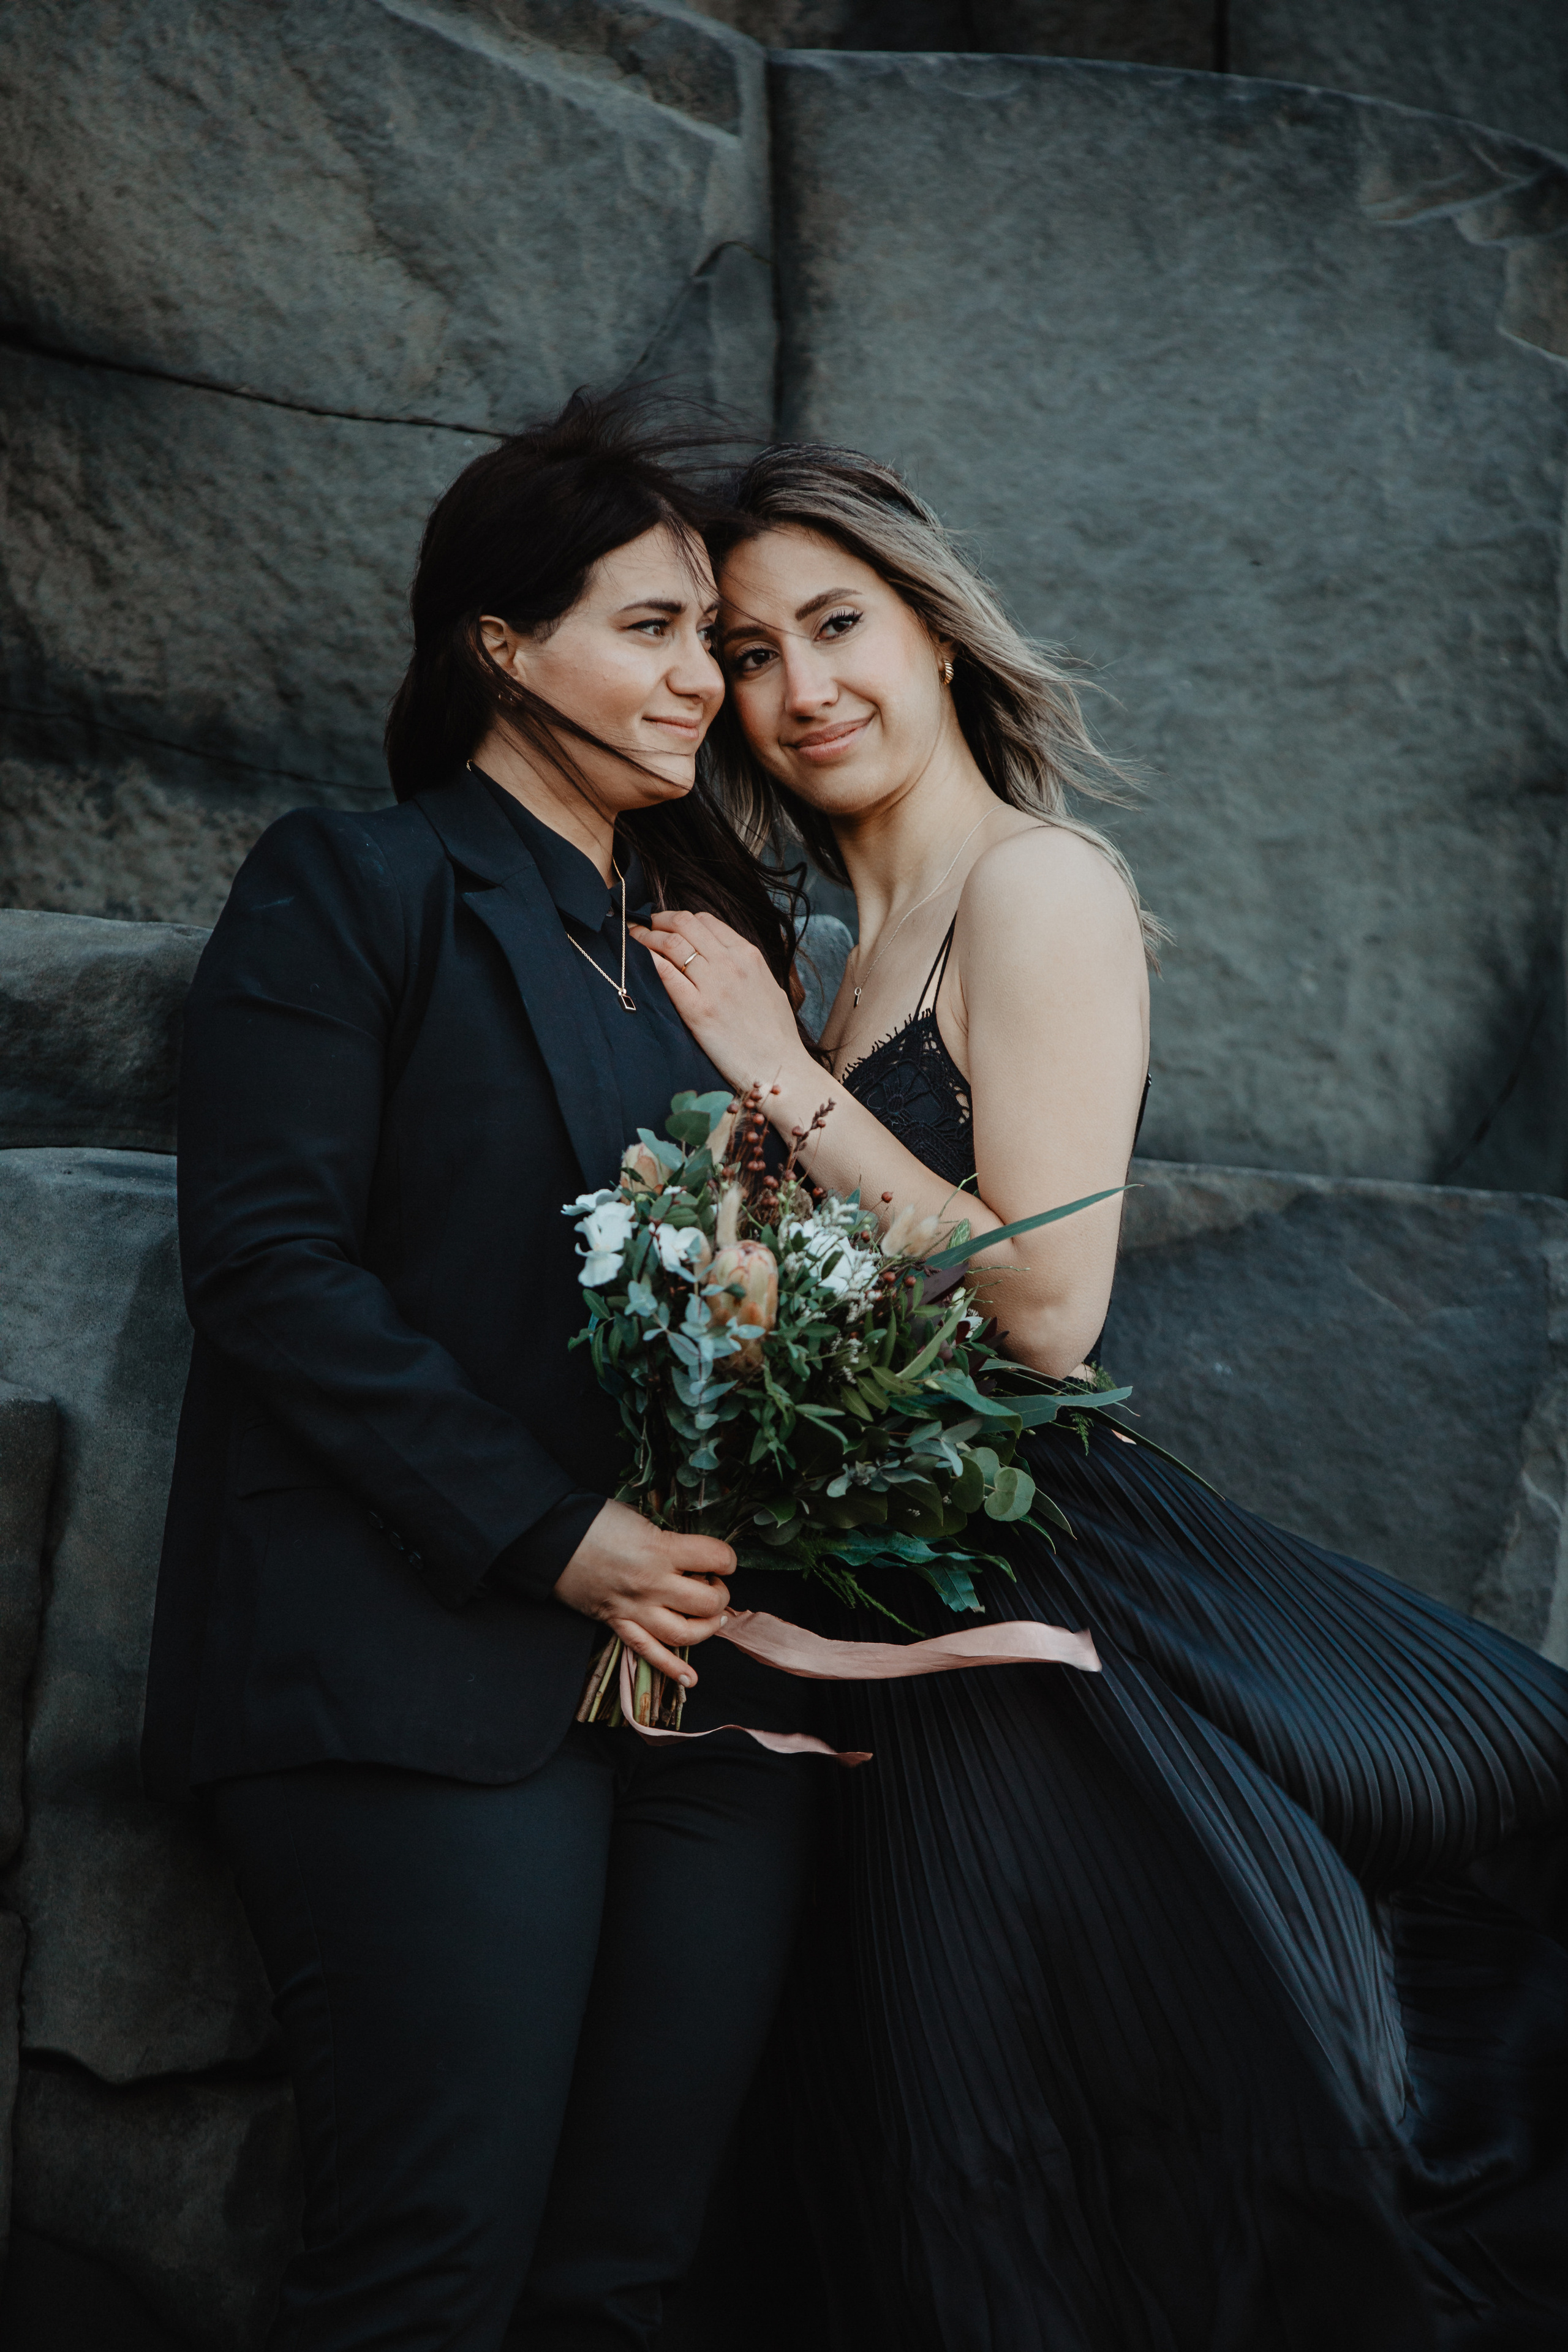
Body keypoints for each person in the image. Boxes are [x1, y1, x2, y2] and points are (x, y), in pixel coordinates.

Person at [631, 445, 1568, 2351]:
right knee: (935, 2143)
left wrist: (768, 1080)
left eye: (839, 625)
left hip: (1043, 1583)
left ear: (935, 634)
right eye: (747, 650)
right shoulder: (829, 952)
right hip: (881, 1607)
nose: (802, 686)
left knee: (1119, 2131)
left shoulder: (1034, 888)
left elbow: (1048, 1305)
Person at [138, 391, 824, 2352]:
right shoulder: (352, 886)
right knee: (425, 2274)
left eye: (715, 634)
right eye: (653, 627)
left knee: (630, 2280)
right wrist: (551, 1532)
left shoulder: (714, 943)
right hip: (413, 1672)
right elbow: (268, 1272)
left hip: (707, 1700)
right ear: (499, 647)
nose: (706, 678)